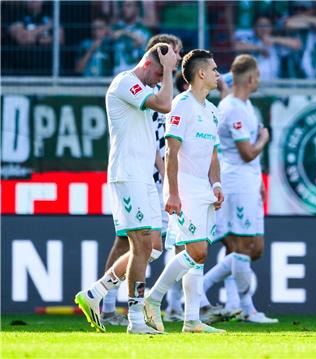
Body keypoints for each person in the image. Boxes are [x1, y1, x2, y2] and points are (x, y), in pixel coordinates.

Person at [75, 42, 178, 334]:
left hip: (144, 176)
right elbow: (165, 104)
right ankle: (135, 320)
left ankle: (95, 293)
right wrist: (169, 71)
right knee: (141, 245)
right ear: (147, 64)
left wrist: (167, 177)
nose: (161, 78)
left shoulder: (144, 89)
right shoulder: (125, 83)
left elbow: (150, 138)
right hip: (127, 175)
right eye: (159, 72)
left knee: (154, 248)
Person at [144, 49, 225, 334]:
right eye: (214, 69)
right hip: (184, 188)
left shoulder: (212, 112)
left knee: (199, 257)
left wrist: (215, 185)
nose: (218, 74)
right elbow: (172, 151)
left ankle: (191, 321)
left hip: (203, 189)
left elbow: (213, 156)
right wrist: (173, 192)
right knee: (196, 250)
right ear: (201, 73)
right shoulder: (181, 104)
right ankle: (152, 299)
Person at [200, 54, 278, 324]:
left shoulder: (246, 106)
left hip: (249, 182)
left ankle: (205, 289)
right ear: (250, 77)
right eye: (257, 76)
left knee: (254, 249)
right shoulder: (231, 108)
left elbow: (251, 158)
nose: (259, 80)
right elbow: (247, 153)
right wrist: (264, 139)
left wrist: (259, 182)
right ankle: (247, 309)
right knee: (243, 246)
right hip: (236, 180)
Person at [234, 15, 301, 81]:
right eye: (260, 25)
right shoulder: (250, 40)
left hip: (273, 83)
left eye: (267, 25)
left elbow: (297, 45)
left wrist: (274, 39)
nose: (264, 29)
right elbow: (234, 46)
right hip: (252, 83)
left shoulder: (276, 44)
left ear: (272, 27)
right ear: (254, 27)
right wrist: (259, 49)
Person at [111, 0, 152, 74]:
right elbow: (111, 37)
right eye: (123, 6)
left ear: (136, 8)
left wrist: (124, 32)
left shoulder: (143, 29)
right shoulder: (115, 27)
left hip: (134, 72)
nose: (124, 9)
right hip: (115, 72)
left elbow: (141, 41)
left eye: (128, 6)